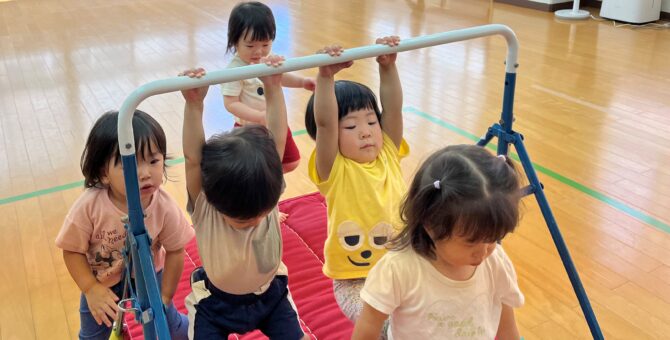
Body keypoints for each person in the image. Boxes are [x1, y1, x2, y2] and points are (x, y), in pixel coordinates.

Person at [179, 56, 308, 340]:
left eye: (261, 214)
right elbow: (192, 159)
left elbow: (277, 140)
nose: (253, 221)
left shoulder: (264, 193)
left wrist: (273, 89)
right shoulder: (205, 207)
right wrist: (194, 105)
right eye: (241, 219)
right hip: (214, 305)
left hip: (271, 296)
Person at [352, 145, 525, 340]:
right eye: (471, 242)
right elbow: (367, 329)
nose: (484, 251)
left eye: (493, 238)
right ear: (430, 224)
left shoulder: (495, 262)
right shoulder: (398, 269)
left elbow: (507, 327)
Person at [56, 110, 194, 340]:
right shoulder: (90, 205)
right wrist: (90, 289)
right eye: (129, 165)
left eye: (153, 161)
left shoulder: (164, 205)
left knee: (171, 326)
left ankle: (192, 327)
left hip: (150, 276)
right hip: (102, 282)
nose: (145, 174)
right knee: (93, 335)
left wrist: (165, 297)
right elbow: (71, 250)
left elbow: (176, 250)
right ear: (104, 173)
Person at [303, 36, 407, 323]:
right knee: (383, 325)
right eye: (351, 125)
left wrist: (388, 67)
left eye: (371, 122)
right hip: (354, 281)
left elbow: (394, 109)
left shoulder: (388, 153)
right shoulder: (335, 169)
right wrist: (325, 76)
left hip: (400, 269)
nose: (365, 132)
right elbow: (324, 123)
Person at [222, 1, 315, 173]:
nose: (258, 52)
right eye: (250, 46)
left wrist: (302, 82)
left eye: (265, 44)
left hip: (275, 122)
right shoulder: (234, 70)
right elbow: (230, 103)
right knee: (256, 171)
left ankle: (271, 184)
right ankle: (265, 189)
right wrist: (258, 116)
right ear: (235, 42)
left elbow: (280, 77)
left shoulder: (267, 60)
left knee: (291, 161)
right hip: (249, 131)